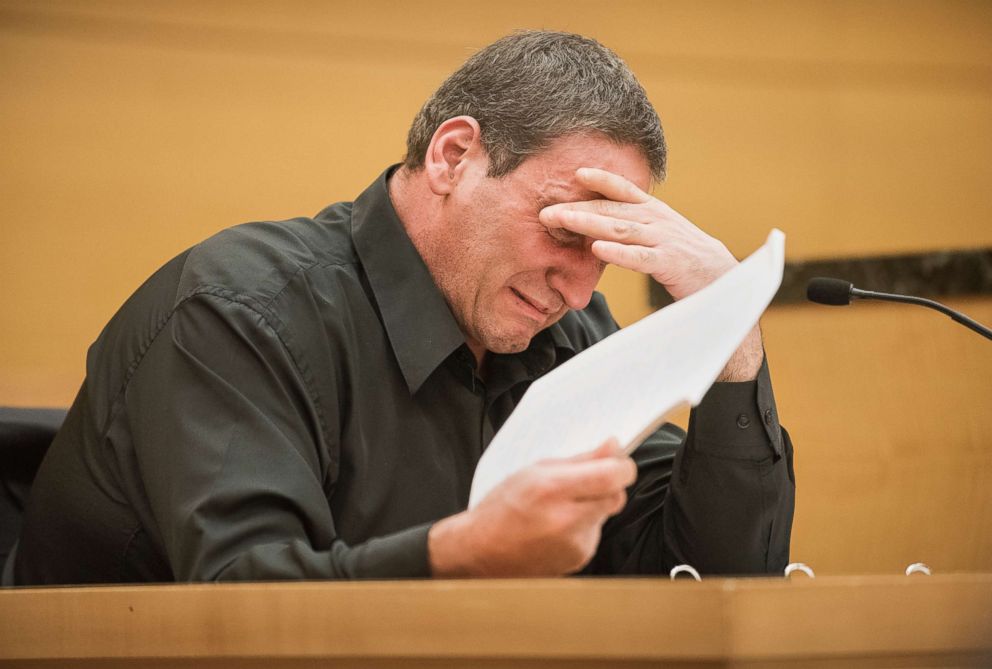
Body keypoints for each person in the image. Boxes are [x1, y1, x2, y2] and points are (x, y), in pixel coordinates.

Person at [7, 30, 794, 585]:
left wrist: (731, 329)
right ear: (454, 157)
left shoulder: (565, 328)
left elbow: (704, 578)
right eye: (567, 225)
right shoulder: (240, 311)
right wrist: (463, 552)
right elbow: (242, 597)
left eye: (607, 243)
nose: (581, 290)